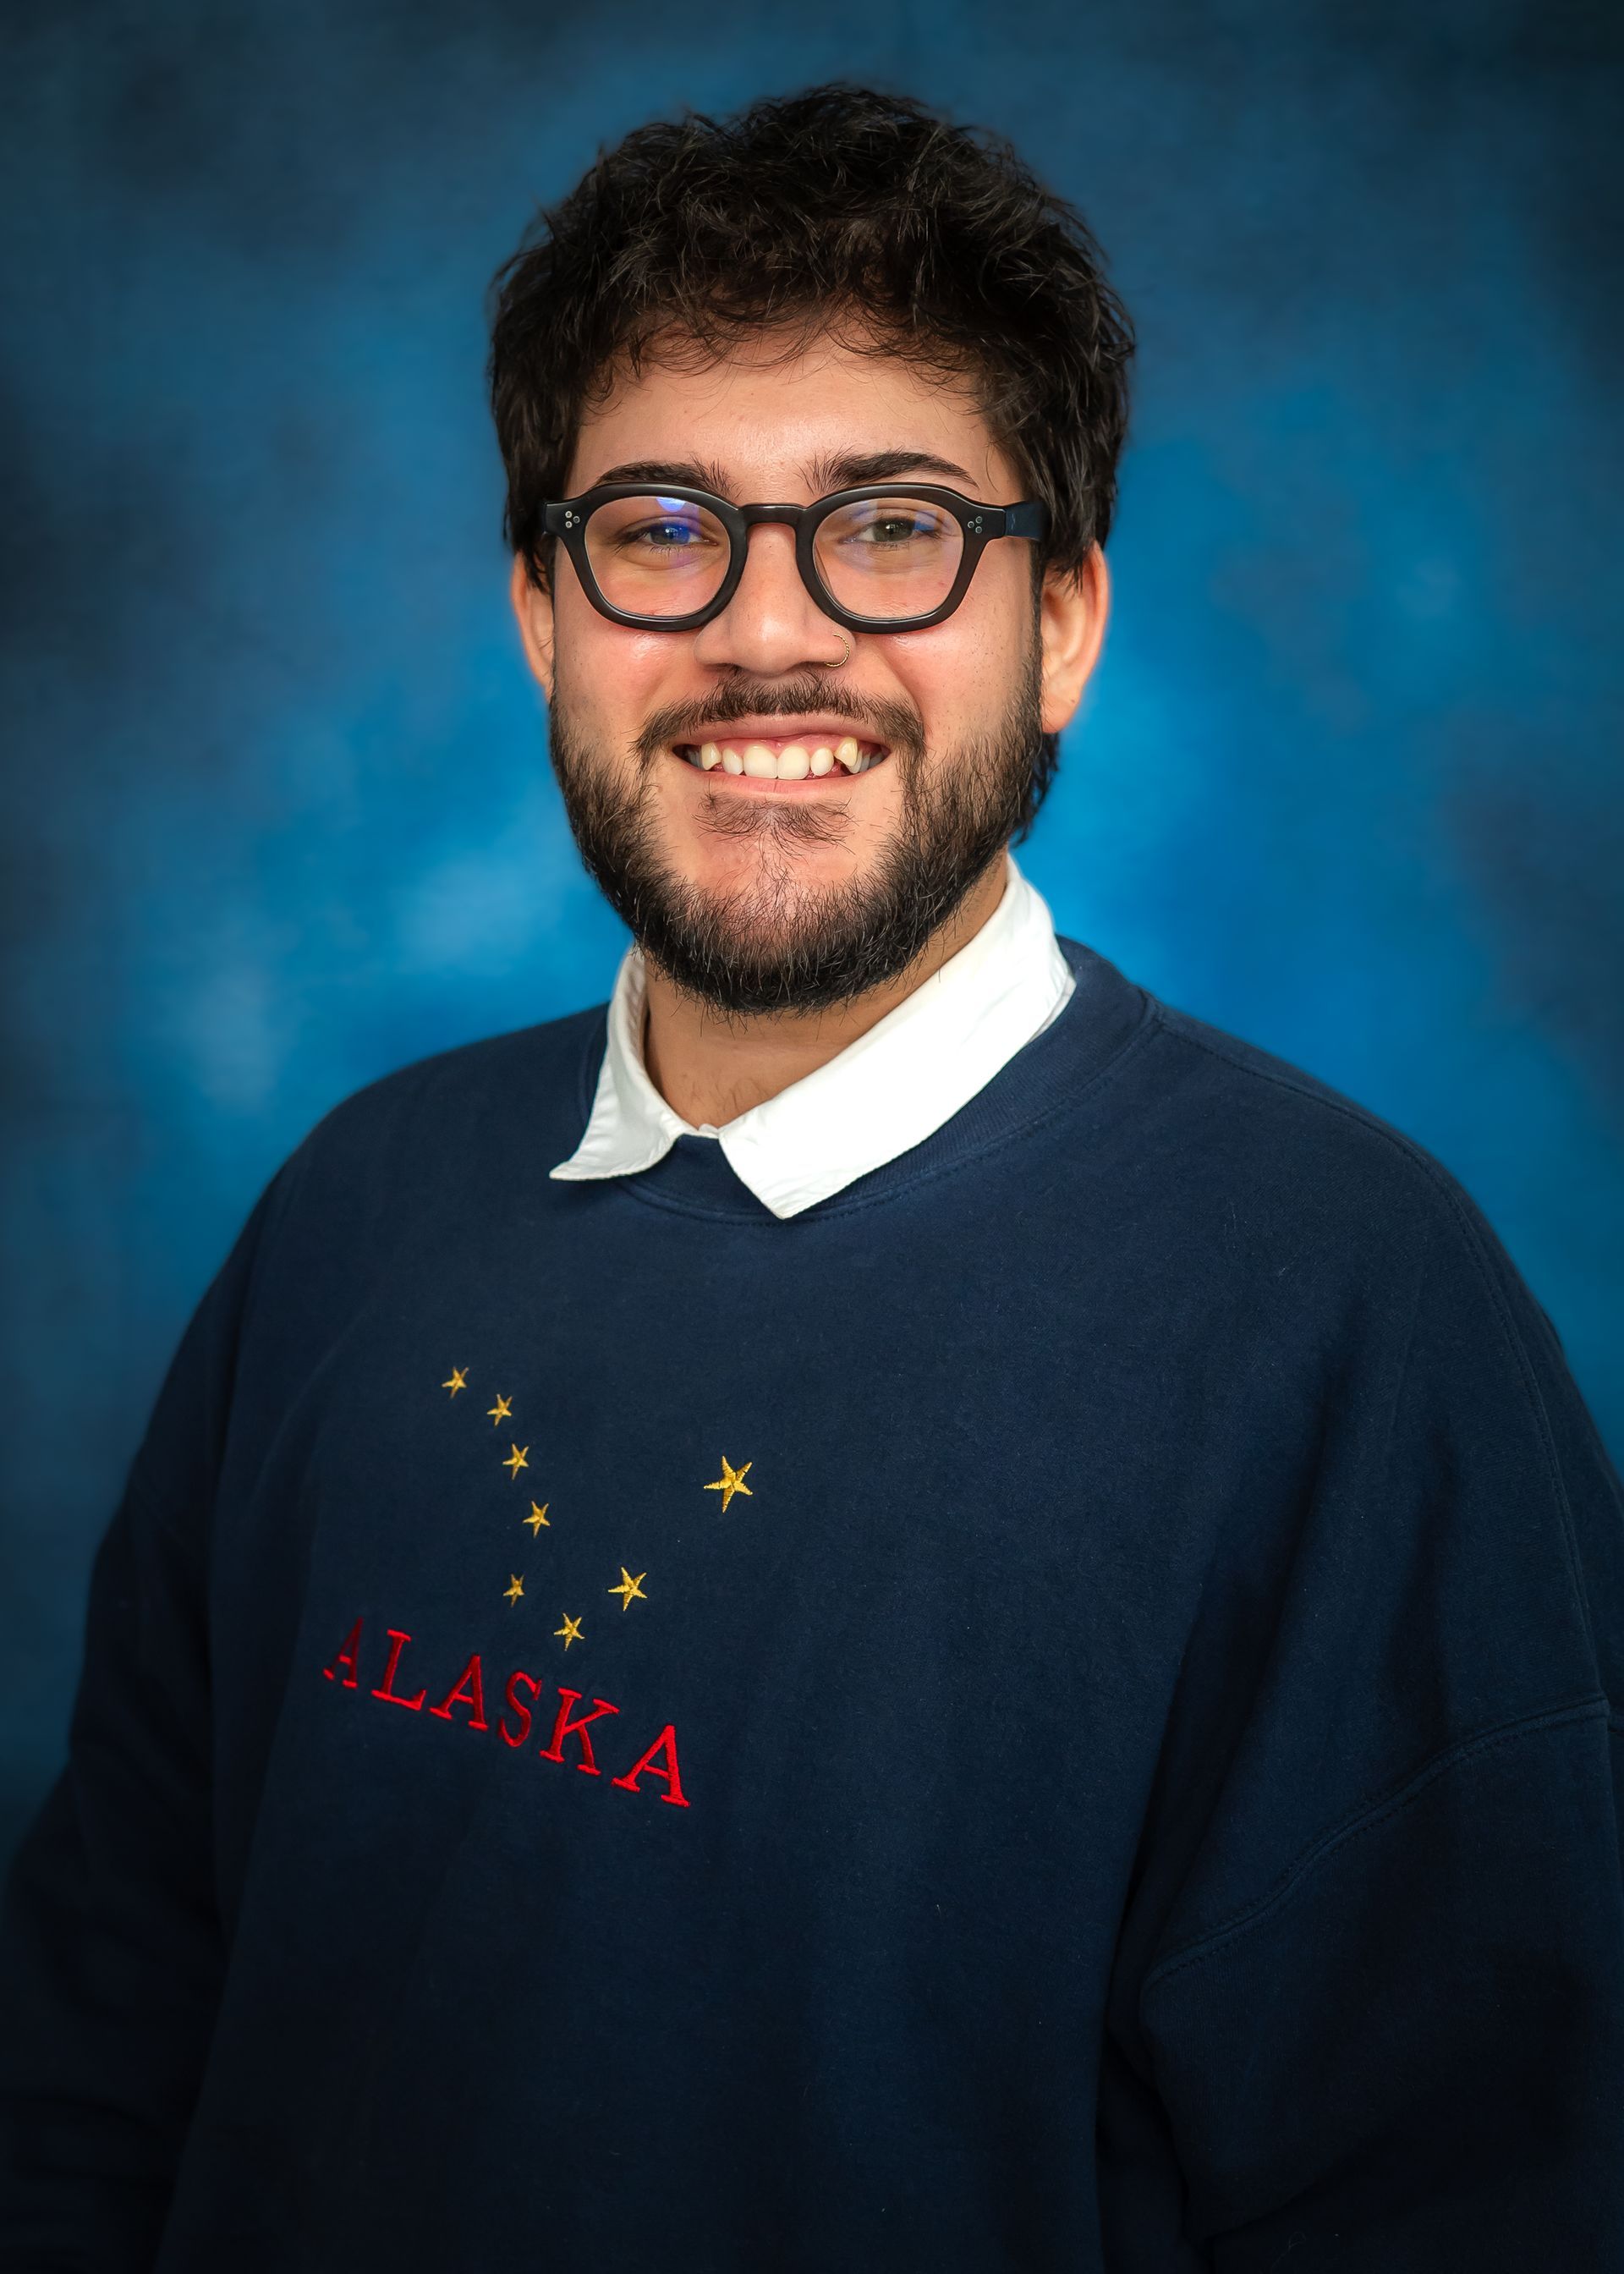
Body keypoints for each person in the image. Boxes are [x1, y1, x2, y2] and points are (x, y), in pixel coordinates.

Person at [1, 78, 1620, 2274]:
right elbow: (102, 2039)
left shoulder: (1360, 1326)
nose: (771, 634)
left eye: (893, 526)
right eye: (663, 526)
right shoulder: (355, 1208)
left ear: (1059, 626)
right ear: (541, 613)